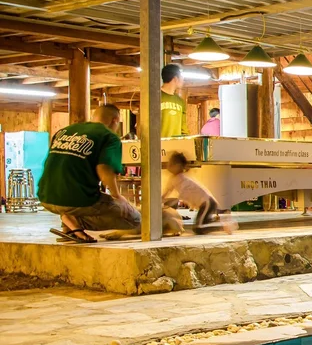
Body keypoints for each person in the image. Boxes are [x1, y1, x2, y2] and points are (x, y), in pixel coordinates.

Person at [37, 104, 139, 242]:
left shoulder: (65, 131)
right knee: (135, 220)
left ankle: (69, 223)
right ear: (115, 120)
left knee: (75, 203)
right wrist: (117, 196)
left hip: (46, 197)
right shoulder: (109, 136)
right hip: (76, 200)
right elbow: (104, 169)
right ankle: (75, 223)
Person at [162, 152, 232, 234]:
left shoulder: (183, 179)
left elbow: (180, 197)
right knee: (198, 227)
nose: (168, 167)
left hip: (207, 203)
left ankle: (222, 225)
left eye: (171, 164)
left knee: (199, 228)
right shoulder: (173, 179)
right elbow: (167, 192)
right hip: (203, 205)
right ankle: (216, 220)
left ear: (178, 166)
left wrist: (168, 204)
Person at [160, 64, 187, 137]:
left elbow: (183, 128)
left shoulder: (180, 101)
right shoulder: (155, 98)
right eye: (181, 76)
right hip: (159, 146)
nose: (183, 79)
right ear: (175, 79)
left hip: (176, 146)